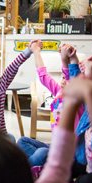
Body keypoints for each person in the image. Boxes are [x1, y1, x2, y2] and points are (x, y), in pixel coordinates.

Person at [17, 43, 83, 171]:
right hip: (57, 148)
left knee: (42, 152)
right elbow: (43, 76)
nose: (63, 80)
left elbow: (74, 74)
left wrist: (71, 57)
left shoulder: (77, 99)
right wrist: (36, 51)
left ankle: (22, 172)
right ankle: (36, 168)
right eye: (63, 77)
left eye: (67, 79)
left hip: (72, 155)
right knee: (23, 141)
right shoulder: (59, 92)